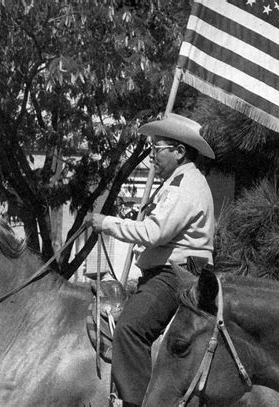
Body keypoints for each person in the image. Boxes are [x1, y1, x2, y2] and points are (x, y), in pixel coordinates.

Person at [85, 113, 215, 407]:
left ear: (180, 151)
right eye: (153, 148)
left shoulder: (185, 185)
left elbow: (154, 232)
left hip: (176, 275)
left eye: (158, 148)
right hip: (166, 272)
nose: (152, 155)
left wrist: (106, 223)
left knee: (130, 330)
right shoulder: (178, 181)